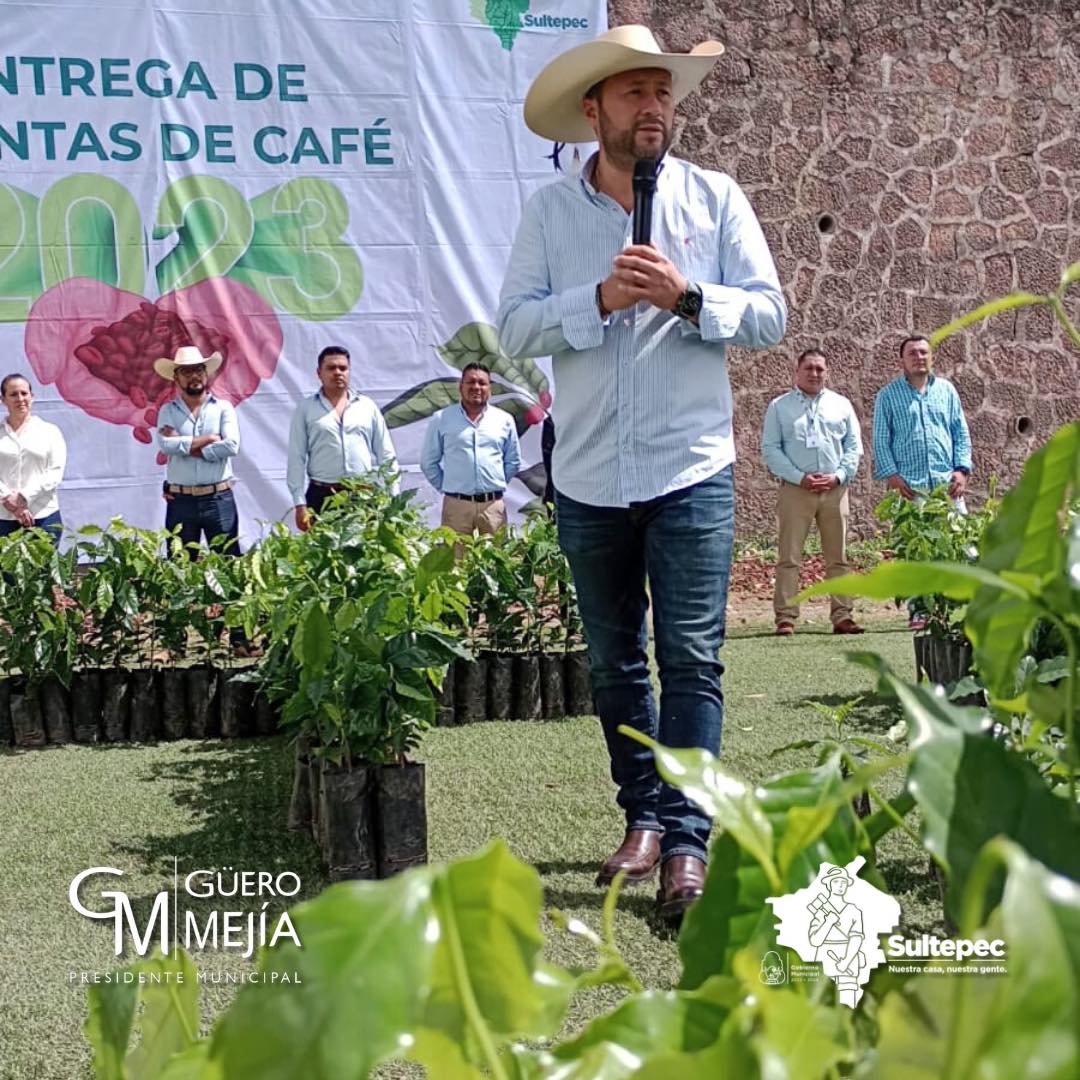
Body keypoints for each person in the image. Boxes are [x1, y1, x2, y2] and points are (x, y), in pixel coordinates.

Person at [497, 25, 786, 919]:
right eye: (633, 93)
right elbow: (513, 331)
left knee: (692, 659)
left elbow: (772, 316)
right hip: (587, 475)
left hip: (692, 468)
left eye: (662, 91)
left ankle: (687, 842)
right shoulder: (549, 214)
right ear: (594, 111)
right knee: (617, 663)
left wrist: (688, 297)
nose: (654, 106)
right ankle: (644, 818)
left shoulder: (717, 198)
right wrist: (600, 299)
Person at [872, 335, 972, 628]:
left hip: (947, 485)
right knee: (915, 551)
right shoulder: (888, 396)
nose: (919, 357)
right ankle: (920, 611)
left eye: (924, 352)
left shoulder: (947, 391)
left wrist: (962, 470)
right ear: (901, 360)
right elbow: (881, 439)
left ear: (932, 357)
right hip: (910, 488)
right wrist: (892, 475)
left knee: (962, 546)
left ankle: (962, 608)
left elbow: (960, 433)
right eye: (913, 353)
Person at [761, 348, 864, 636]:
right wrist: (799, 477)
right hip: (796, 490)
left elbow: (854, 447)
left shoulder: (841, 405)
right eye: (809, 368)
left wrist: (839, 476)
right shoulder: (779, 407)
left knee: (838, 556)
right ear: (797, 372)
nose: (814, 373)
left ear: (827, 372)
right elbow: (770, 449)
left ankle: (843, 616)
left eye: (820, 369)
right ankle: (786, 618)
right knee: (789, 557)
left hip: (835, 490)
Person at [287, 346, 399, 532]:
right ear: (319, 373)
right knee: (321, 556)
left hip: (363, 495)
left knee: (365, 556)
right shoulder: (305, 409)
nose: (338, 373)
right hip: (321, 495)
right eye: (331, 368)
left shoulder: (367, 407)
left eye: (343, 368)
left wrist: (393, 496)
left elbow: (386, 454)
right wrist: (300, 503)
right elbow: (296, 457)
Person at [155, 346, 242, 557]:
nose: (194, 375)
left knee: (228, 561)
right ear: (176, 378)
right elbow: (166, 445)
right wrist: (210, 439)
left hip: (218, 497)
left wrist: (184, 445)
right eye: (186, 371)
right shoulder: (167, 410)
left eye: (198, 370)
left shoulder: (223, 408)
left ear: (206, 373)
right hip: (181, 500)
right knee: (181, 566)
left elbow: (231, 446)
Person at [419, 363, 521, 535]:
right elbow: (428, 463)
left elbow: (513, 462)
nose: (476, 387)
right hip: (456, 507)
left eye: (482, 383)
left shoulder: (504, 420)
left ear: (490, 389)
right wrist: (449, 488)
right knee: (456, 560)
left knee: (495, 560)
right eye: (471, 382)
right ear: (461, 387)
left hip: (493, 507)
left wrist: (493, 484)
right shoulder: (442, 419)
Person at [0, 373, 66, 543]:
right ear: (3, 399)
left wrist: (23, 497)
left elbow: (55, 473)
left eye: (24, 393)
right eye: (13, 394)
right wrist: (12, 504)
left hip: (43, 517)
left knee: (43, 570)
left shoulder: (50, 432)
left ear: (32, 397)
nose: (20, 398)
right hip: (3, 518)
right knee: (6, 570)